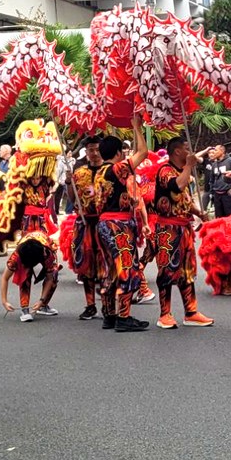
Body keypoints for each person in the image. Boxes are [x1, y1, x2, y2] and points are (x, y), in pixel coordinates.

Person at [151, 139, 212, 329]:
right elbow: (177, 186)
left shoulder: (180, 171)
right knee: (167, 271)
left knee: (187, 272)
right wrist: (189, 166)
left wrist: (198, 212)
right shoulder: (165, 171)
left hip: (184, 228)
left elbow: (184, 199)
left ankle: (191, 312)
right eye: (186, 148)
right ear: (177, 152)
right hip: (168, 229)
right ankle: (164, 314)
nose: (190, 150)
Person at [93, 132, 150, 331]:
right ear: (118, 153)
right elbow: (143, 152)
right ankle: (124, 317)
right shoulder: (116, 169)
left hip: (103, 224)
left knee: (110, 270)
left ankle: (109, 314)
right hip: (118, 225)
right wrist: (137, 127)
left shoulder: (100, 172)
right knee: (127, 267)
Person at [67, 140, 104, 319]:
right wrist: (68, 182)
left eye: (97, 149)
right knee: (87, 265)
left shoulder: (110, 171)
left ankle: (108, 304)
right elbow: (72, 199)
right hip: (85, 223)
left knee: (106, 264)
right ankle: (90, 305)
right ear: (86, 152)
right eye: (91, 150)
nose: (95, 153)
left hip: (105, 223)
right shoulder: (79, 173)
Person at [0, 228, 59, 322]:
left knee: (54, 273)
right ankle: (24, 308)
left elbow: (49, 278)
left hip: (43, 244)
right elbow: (5, 278)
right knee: (25, 274)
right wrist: (4, 301)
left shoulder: (47, 253)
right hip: (28, 249)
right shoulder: (17, 255)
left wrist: (41, 300)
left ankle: (42, 306)